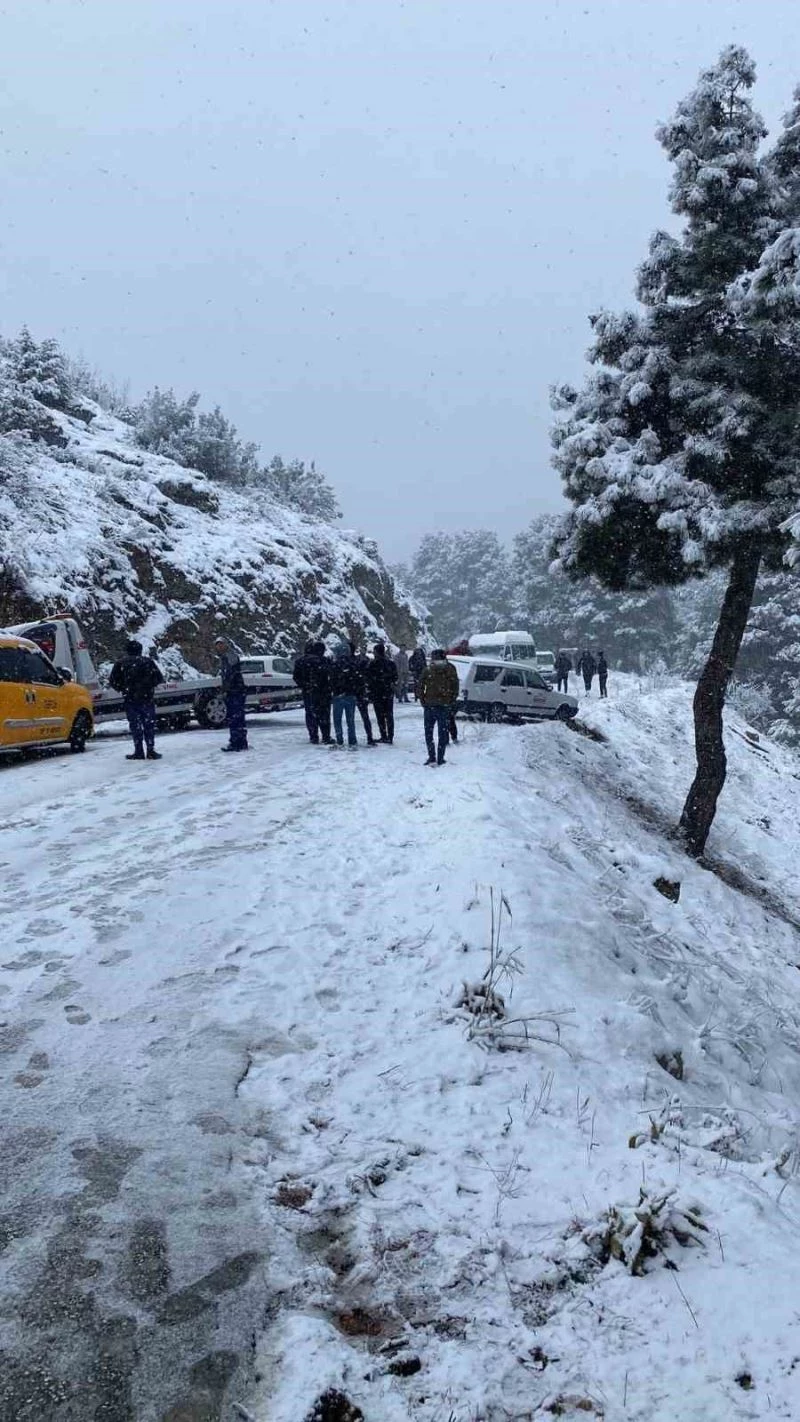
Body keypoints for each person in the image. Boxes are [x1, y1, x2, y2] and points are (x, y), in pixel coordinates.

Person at [109, 638, 164, 761]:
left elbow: (113, 680)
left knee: (135, 725)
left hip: (130, 699)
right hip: (146, 698)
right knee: (148, 724)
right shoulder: (148, 662)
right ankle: (150, 750)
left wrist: (123, 689)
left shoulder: (120, 663)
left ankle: (138, 750)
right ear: (140, 650)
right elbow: (158, 678)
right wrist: (148, 686)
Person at [418, 648, 460, 766]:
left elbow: (420, 686)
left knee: (429, 733)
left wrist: (423, 700)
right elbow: (455, 686)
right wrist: (450, 700)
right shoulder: (450, 669)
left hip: (430, 705)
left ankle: (432, 757)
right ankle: (440, 758)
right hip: (443, 706)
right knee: (442, 733)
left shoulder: (428, 669)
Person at [214, 636, 248, 752]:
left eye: (221, 644)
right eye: (217, 645)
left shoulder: (230, 657)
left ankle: (237, 742)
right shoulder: (225, 658)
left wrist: (227, 688)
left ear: (225, 645)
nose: (219, 647)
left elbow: (231, 674)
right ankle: (240, 742)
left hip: (235, 692)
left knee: (235, 718)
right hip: (234, 691)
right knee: (237, 718)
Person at [329, 641, 363, 749]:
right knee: (350, 720)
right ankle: (352, 740)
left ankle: (339, 740)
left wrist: (334, 690)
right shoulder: (353, 664)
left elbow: (331, 680)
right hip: (350, 695)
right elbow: (358, 679)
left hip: (338, 695)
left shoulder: (334, 664)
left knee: (337, 720)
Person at [367, 642, 398, 743]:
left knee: (380, 716)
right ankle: (390, 736)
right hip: (388, 692)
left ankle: (384, 735)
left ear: (376, 652)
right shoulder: (391, 664)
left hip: (377, 693)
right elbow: (395, 677)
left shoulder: (373, 664)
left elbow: (369, 679)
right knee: (389, 715)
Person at [305, 641, 333, 744]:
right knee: (325, 715)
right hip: (324, 692)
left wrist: (306, 685)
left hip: (311, 692)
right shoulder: (326, 661)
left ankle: (314, 736)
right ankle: (326, 736)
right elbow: (332, 676)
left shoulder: (306, 662)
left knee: (312, 714)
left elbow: (298, 677)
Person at [293, 640, 318, 744]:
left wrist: (304, 684)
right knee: (320, 712)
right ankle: (325, 734)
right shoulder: (318, 661)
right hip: (319, 690)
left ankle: (313, 735)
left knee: (309, 713)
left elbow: (296, 677)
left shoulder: (299, 662)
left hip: (307, 690)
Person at [352, 643, 377, 746]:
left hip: (354, 691)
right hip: (361, 692)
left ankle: (352, 738)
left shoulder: (354, 663)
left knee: (351, 717)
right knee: (365, 716)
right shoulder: (366, 665)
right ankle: (369, 737)